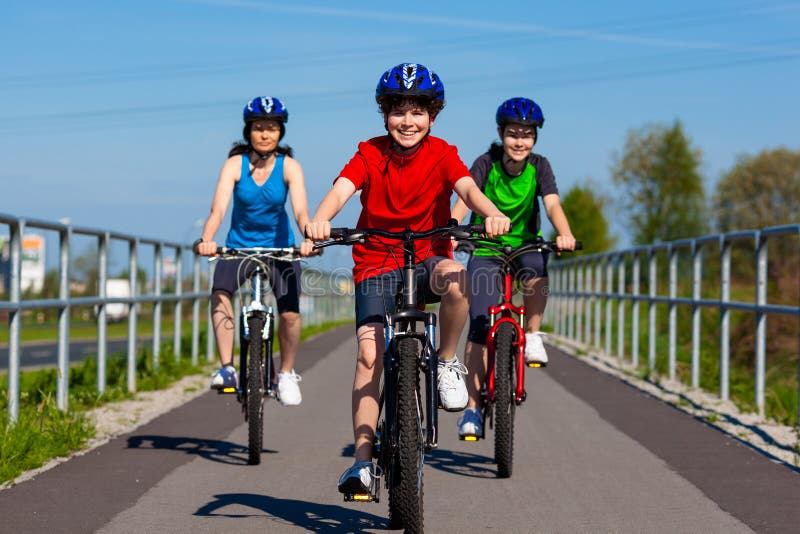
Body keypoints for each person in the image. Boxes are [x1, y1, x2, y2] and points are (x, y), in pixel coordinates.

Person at [304, 63, 511, 493]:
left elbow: (467, 189)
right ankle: (361, 463)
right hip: (376, 261)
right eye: (398, 110)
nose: (408, 121)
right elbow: (342, 189)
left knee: (457, 277)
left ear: (432, 116)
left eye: (418, 112)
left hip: (428, 257)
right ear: (385, 114)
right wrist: (319, 222)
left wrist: (490, 213)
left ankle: (448, 362)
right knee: (368, 356)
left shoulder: (443, 153)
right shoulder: (369, 153)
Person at [451, 97, 576, 438]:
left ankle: (533, 334)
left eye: (526, 134)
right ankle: (472, 410)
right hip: (487, 245)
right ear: (500, 134)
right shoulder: (485, 162)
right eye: (513, 134)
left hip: (525, 243)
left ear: (535, 137)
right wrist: (452, 230)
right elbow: (466, 196)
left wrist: (564, 234)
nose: (519, 141)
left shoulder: (541, 166)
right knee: (478, 326)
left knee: (537, 274)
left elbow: (551, 204)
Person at [194, 96, 314, 406]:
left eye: (272, 128)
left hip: (280, 249)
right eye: (259, 128)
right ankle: (227, 368)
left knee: (289, 313)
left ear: (280, 132)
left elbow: (300, 210)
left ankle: (286, 373)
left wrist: (307, 237)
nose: (265, 134)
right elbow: (218, 209)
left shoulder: (290, 167)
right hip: (238, 247)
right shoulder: (235, 164)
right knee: (220, 292)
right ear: (248, 131)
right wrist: (207, 238)